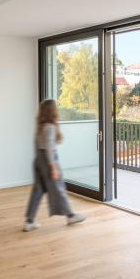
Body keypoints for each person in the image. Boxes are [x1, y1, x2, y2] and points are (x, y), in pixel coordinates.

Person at [23, 99, 86, 232]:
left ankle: (29, 221)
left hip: (38, 160)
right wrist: (53, 167)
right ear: (53, 111)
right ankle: (70, 216)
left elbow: (37, 148)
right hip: (48, 161)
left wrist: (39, 164)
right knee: (59, 187)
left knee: (37, 191)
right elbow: (50, 149)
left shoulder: (40, 128)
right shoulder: (50, 128)